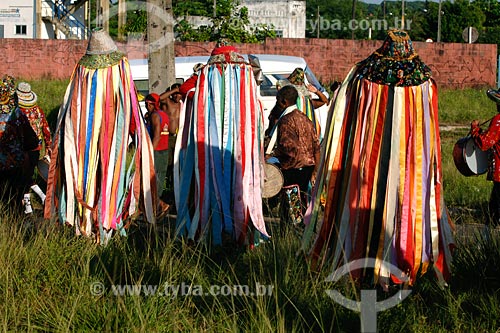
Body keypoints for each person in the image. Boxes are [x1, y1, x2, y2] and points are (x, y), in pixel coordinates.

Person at [301, 29, 455, 288]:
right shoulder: (423, 80)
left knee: (369, 206)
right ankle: (405, 262)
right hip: (411, 163)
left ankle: (365, 264)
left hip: (366, 162)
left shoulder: (362, 75)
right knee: (405, 206)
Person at [44, 29, 158, 243]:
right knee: (105, 177)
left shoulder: (81, 72)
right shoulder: (119, 70)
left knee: (98, 179)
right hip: (102, 137)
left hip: (91, 138)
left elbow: (71, 113)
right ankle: (101, 226)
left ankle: (91, 226)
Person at [174, 40, 269, 247]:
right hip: (240, 145)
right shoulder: (246, 76)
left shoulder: (205, 76)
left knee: (212, 185)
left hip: (210, 143)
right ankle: (240, 236)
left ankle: (213, 236)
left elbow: (185, 90)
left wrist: (198, 82)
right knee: (241, 185)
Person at [266, 85, 320, 211]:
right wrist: (316, 169)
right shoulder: (305, 118)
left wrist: (272, 156)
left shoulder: (286, 120)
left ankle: (290, 228)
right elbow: (316, 146)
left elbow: (288, 148)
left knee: (290, 205)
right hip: (308, 166)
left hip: (293, 168)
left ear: (283, 101)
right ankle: (300, 227)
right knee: (301, 200)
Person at [0, 75, 38, 215]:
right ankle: (16, 223)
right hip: (16, 163)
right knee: (15, 196)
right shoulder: (17, 115)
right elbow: (31, 140)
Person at [16, 82, 52, 204]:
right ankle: (41, 197)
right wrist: (48, 146)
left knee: (24, 176)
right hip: (36, 148)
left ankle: (29, 205)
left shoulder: (17, 113)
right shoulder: (38, 111)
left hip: (22, 149)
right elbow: (46, 129)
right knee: (28, 174)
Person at [471, 88, 500, 227]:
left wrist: (475, 130)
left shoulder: (498, 120)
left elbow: (484, 143)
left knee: (494, 209)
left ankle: (491, 241)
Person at [144, 93, 170, 207]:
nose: (146, 106)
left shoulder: (155, 116)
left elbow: (157, 136)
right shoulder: (163, 114)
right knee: (159, 176)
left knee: (153, 178)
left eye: (147, 104)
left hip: (157, 150)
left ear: (151, 104)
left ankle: (158, 204)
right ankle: (157, 203)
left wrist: (150, 152)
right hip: (164, 150)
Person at [159, 83, 182, 202]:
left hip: (180, 138)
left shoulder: (183, 105)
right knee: (167, 164)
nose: (177, 96)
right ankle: (164, 188)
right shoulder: (168, 103)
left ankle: (174, 188)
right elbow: (160, 98)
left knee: (177, 164)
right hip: (169, 138)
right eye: (175, 94)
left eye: (179, 93)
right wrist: (174, 90)